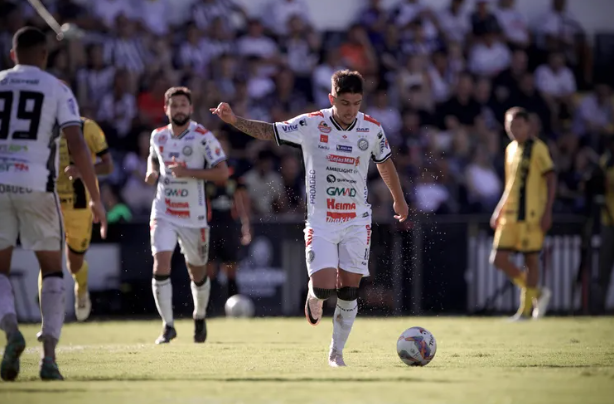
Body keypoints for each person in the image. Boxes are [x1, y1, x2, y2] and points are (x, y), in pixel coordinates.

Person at [211, 70, 409, 366]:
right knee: (325, 287)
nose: (350, 110)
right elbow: (269, 131)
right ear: (332, 99)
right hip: (321, 222)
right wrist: (235, 121)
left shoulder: (372, 129)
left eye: (356, 103)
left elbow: (385, 163)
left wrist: (399, 198)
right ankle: (315, 297)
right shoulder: (311, 123)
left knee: (349, 290)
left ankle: (336, 352)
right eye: (344, 103)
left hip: (357, 221)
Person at [0, 27, 106, 381]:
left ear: (12, 54)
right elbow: (76, 144)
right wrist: (96, 197)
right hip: (36, 184)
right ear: (44, 55)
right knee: (53, 270)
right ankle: (48, 358)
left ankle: (11, 331)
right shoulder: (57, 88)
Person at [145, 87, 229, 344]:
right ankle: (168, 326)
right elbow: (152, 158)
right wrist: (151, 171)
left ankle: (199, 316)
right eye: (174, 105)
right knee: (160, 264)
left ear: (191, 109)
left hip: (194, 216)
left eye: (183, 105)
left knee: (198, 272)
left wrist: (189, 172)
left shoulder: (203, 136)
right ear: (166, 109)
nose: (179, 109)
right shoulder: (157, 136)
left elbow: (223, 173)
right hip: (164, 210)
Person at [37, 116, 113, 322]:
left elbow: (108, 166)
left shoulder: (87, 127)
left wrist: (82, 171)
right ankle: (48, 320)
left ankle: (82, 287)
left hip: (79, 206)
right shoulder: (39, 126)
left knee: (74, 264)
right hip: (48, 203)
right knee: (48, 260)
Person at [490, 107, 556, 321]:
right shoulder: (510, 148)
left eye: (518, 125)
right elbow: (510, 184)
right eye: (510, 125)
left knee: (531, 260)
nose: (513, 129)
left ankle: (525, 310)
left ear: (528, 126)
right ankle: (537, 293)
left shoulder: (538, 148)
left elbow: (551, 178)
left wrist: (547, 212)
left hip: (532, 214)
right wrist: (499, 208)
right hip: (510, 213)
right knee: (498, 259)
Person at [206, 136, 251, 301]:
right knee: (209, 268)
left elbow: (242, 200)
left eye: (223, 147)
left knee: (231, 266)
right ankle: (208, 307)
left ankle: (233, 303)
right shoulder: (204, 173)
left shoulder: (235, 173)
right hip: (209, 226)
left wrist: (246, 224)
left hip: (229, 226)